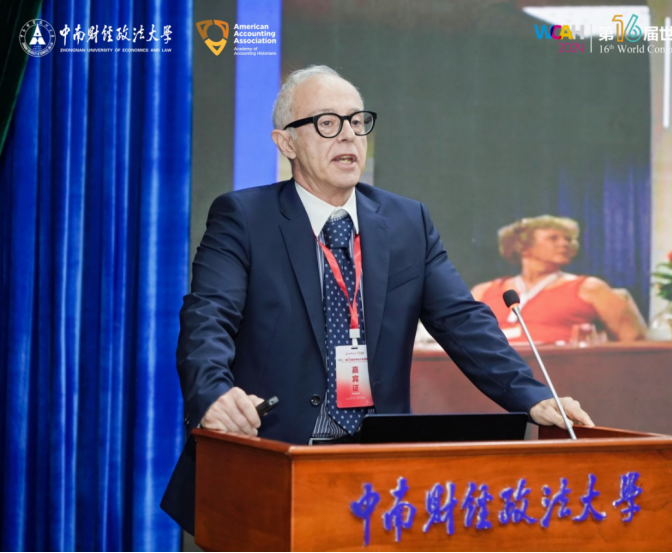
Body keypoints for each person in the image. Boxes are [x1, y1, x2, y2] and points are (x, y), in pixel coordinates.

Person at [161, 65, 594, 534]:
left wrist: (532, 396)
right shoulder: (245, 217)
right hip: (269, 461)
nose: (348, 135)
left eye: (356, 120)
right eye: (327, 123)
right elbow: (208, 316)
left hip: (377, 475)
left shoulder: (407, 221)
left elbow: (462, 321)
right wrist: (212, 393)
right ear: (287, 143)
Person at [471, 215, 646, 344]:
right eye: (553, 238)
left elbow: (634, 341)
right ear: (523, 247)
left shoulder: (590, 288)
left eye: (568, 239)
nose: (564, 244)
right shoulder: (484, 291)